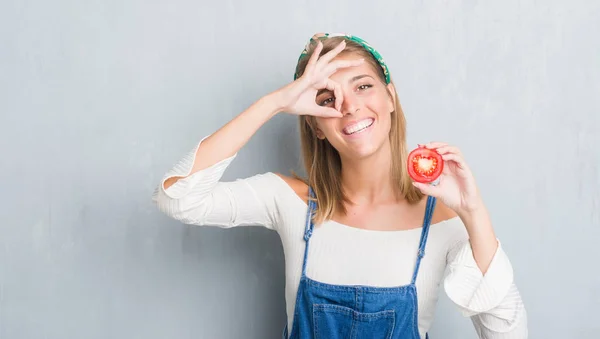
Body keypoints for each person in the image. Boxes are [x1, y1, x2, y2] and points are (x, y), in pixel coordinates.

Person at [152, 33, 528, 339]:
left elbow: (508, 333)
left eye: (363, 86)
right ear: (315, 124)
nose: (348, 106)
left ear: (390, 98)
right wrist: (275, 104)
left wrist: (473, 212)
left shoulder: (443, 221)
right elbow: (177, 198)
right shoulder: (291, 202)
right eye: (327, 99)